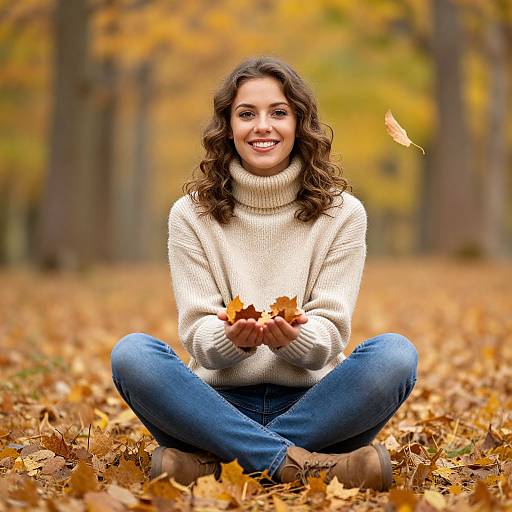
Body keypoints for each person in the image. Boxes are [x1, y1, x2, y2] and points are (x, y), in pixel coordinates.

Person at [111, 56, 418, 491]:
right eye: (246, 114)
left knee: (396, 356)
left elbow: (331, 335)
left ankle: (213, 467)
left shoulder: (343, 213)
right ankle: (304, 467)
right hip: (212, 405)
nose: (262, 126)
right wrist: (229, 341)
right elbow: (199, 334)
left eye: (278, 112)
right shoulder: (191, 215)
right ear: (227, 127)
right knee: (132, 355)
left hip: (317, 403)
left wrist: (296, 340)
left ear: (300, 123)